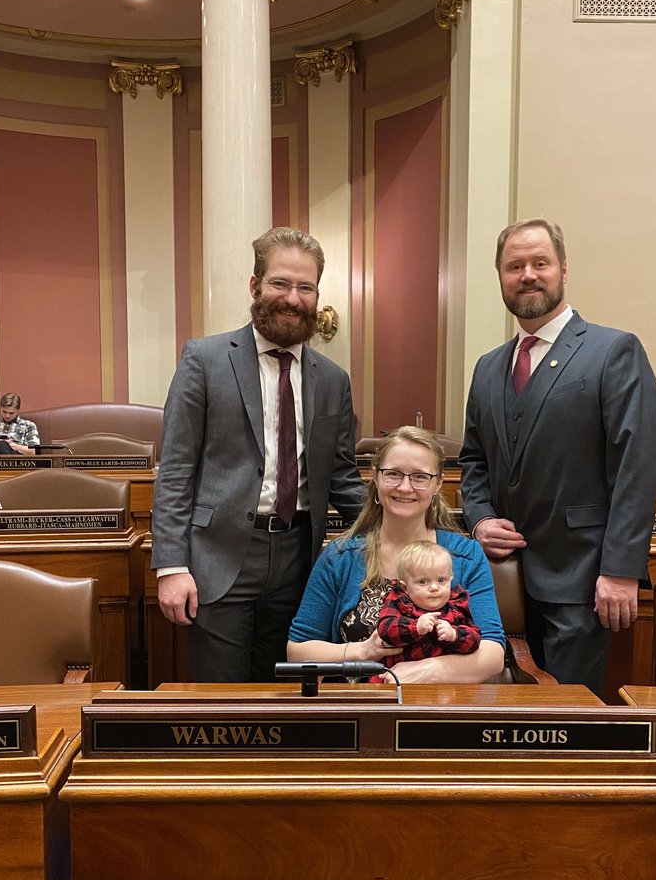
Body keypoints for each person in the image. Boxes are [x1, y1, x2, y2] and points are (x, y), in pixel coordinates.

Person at [152, 226, 366, 683]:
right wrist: (171, 566)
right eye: (280, 283)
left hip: (299, 560)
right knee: (223, 701)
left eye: (305, 287)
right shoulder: (204, 359)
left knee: (285, 694)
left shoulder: (333, 379)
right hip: (219, 556)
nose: (292, 298)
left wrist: (407, 538)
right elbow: (175, 471)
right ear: (255, 286)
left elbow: (344, 477)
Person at [459, 217, 656, 697]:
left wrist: (621, 568)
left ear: (563, 270)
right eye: (514, 266)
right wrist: (480, 519)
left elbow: (637, 465)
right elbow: (473, 460)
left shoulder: (613, 351)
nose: (527, 274)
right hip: (500, 582)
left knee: (566, 726)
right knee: (499, 718)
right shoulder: (489, 367)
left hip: (584, 580)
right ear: (501, 277)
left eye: (540, 262)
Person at [287, 426, 505, 683]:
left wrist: (426, 671)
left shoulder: (466, 556)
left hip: (444, 707)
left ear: (437, 484)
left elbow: (494, 654)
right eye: (393, 474)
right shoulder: (340, 556)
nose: (404, 487)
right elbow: (297, 651)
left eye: (420, 477)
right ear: (375, 479)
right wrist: (362, 651)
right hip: (358, 706)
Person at [376, 540, 482, 661]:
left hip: (447, 674)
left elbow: (475, 641)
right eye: (423, 581)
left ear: (450, 580)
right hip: (399, 674)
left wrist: (454, 634)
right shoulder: (400, 601)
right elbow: (385, 630)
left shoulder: (456, 606)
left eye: (441, 580)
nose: (434, 588)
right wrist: (415, 627)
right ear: (405, 587)